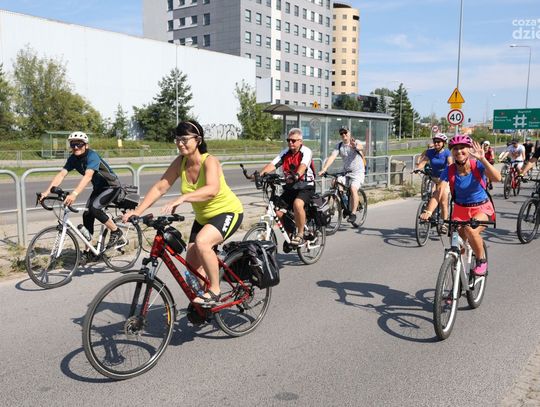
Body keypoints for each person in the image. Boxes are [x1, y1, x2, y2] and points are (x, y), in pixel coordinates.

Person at [123, 120, 243, 307]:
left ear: (198, 140)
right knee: (193, 270)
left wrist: (183, 198)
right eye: (177, 139)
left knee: (203, 242)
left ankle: (215, 290)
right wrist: (137, 211)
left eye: (185, 139)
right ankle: (206, 307)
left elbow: (212, 189)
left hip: (228, 212)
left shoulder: (209, 161)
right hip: (203, 218)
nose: (180, 143)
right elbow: (160, 187)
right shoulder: (181, 162)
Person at [420, 135, 501, 276]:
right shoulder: (450, 170)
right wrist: (428, 211)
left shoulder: (477, 165)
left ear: (469, 149)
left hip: (481, 208)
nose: (459, 151)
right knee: (456, 244)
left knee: (471, 230)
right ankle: (458, 278)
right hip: (460, 210)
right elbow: (439, 192)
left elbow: (497, 178)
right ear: (452, 152)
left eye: (462, 148)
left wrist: (483, 159)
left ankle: (481, 260)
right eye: (455, 149)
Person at [40, 131, 124, 264]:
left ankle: (116, 231)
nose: (76, 147)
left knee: (94, 209)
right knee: (87, 215)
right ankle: (88, 252)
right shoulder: (73, 158)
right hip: (98, 188)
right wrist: (46, 192)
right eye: (73, 144)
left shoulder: (92, 156)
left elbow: (88, 176)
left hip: (112, 186)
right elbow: (61, 175)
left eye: (79, 144)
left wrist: (74, 194)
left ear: (86, 145)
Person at [259, 128, 315, 247]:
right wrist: (260, 174)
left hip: (306, 186)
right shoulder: (285, 152)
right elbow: (273, 164)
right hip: (291, 187)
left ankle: (300, 234)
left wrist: (297, 175)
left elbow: (303, 165)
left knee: (297, 204)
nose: (290, 142)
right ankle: (290, 234)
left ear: (300, 141)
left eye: (293, 140)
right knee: (276, 210)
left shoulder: (306, 151)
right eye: (288, 140)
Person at [318, 126, 365, 223]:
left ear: (349, 133)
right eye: (341, 133)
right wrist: (324, 169)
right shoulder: (339, 146)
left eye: (345, 132)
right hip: (346, 172)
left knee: (353, 188)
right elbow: (332, 157)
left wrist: (355, 146)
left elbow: (361, 147)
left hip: (358, 172)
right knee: (335, 182)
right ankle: (344, 204)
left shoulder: (355, 142)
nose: (344, 135)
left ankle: (353, 214)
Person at [415, 133, 453, 228]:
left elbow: (450, 163)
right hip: (434, 178)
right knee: (431, 194)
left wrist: (451, 171)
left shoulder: (447, 152)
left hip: (444, 180)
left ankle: (444, 223)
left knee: (443, 201)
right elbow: (423, 162)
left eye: (438, 142)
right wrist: (418, 169)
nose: (436, 144)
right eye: (435, 142)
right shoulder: (430, 152)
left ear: (443, 143)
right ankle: (430, 213)